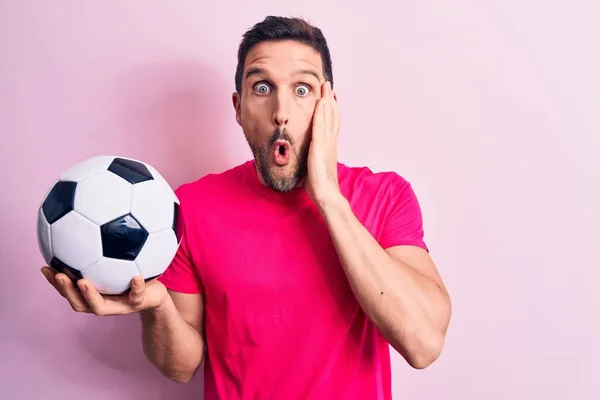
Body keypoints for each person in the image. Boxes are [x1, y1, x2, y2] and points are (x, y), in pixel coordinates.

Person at [41, 15, 452, 400]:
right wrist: (158, 306)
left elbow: (423, 344)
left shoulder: (386, 196)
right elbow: (180, 367)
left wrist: (328, 196)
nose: (281, 113)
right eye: (262, 87)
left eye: (302, 89)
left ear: (329, 107)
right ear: (238, 108)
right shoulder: (192, 208)